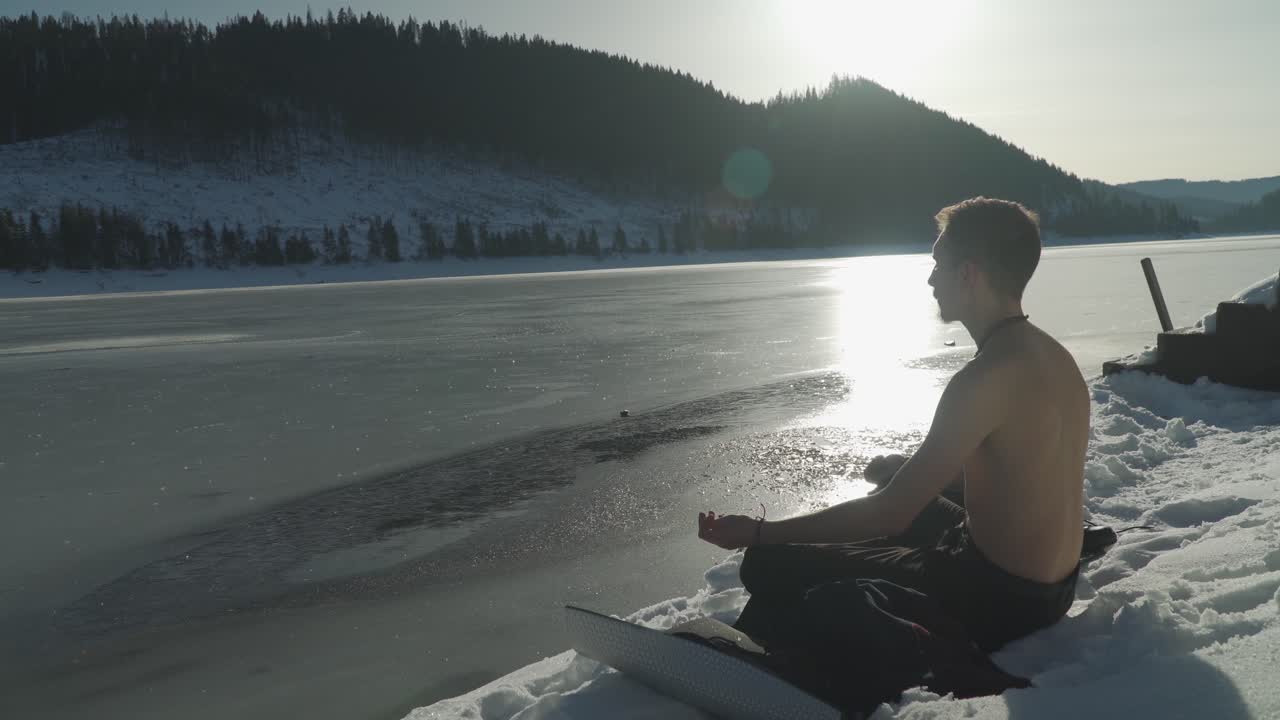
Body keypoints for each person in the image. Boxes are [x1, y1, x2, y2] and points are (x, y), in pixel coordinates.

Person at [697, 197, 1090, 654]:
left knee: (768, 563)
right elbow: (1020, 470)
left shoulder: (983, 379)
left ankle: (769, 658)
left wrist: (760, 533)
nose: (931, 278)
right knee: (895, 476)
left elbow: (890, 515)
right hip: (1052, 588)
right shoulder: (1052, 356)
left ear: (968, 274)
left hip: (996, 599)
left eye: (938, 264)